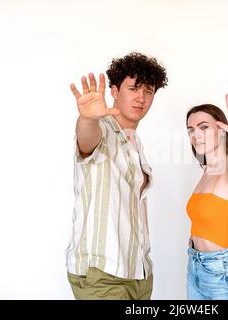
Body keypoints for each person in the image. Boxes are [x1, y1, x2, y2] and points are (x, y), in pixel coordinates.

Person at [65, 52, 168, 300]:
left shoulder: (135, 143)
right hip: (103, 275)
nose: (141, 98)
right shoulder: (102, 129)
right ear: (114, 91)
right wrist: (87, 118)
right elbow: (87, 139)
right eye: (133, 88)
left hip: (139, 274)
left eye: (149, 91)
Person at [185, 90, 228, 300]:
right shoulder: (206, 172)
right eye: (191, 130)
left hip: (221, 275)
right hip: (195, 267)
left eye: (204, 127)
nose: (196, 134)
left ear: (222, 130)